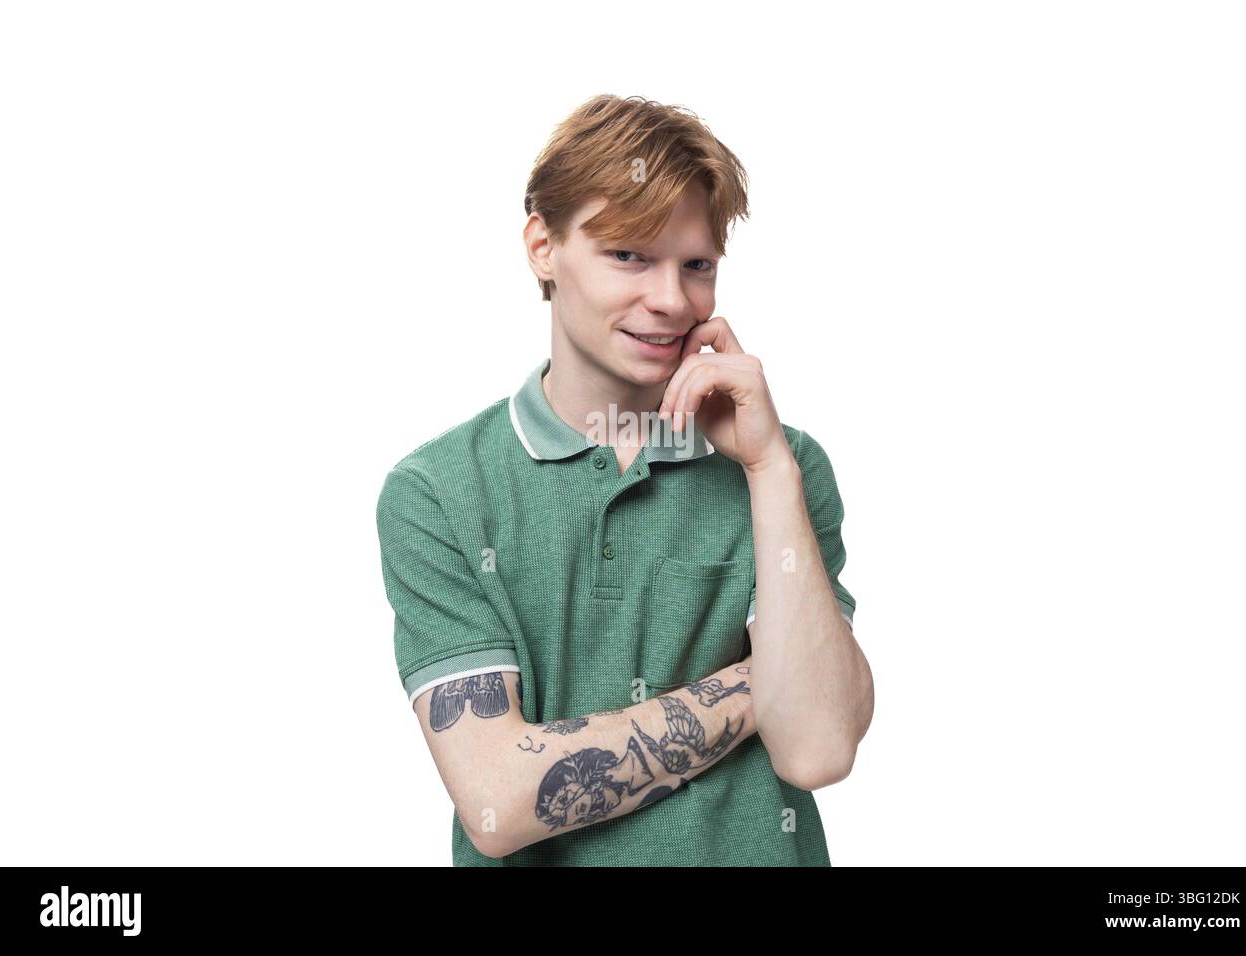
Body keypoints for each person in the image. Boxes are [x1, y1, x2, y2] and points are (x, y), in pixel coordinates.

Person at [375, 94, 875, 866]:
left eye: (697, 265)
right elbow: (499, 803)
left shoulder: (786, 465)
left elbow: (816, 747)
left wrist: (768, 468)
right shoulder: (438, 492)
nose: (672, 300)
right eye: (629, 256)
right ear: (543, 245)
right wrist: (758, 687)